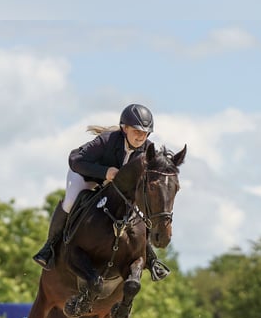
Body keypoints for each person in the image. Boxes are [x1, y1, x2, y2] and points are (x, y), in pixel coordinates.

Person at [32, 103, 169, 280]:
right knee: (70, 201)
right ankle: (49, 247)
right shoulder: (107, 140)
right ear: (124, 128)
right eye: (137, 131)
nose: (141, 137)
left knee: (142, 210)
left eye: (145, 133)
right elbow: (75, 160)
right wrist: (105, 172)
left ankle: (151, 258)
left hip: (115, 187)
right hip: (86, 176)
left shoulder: (148, 149)